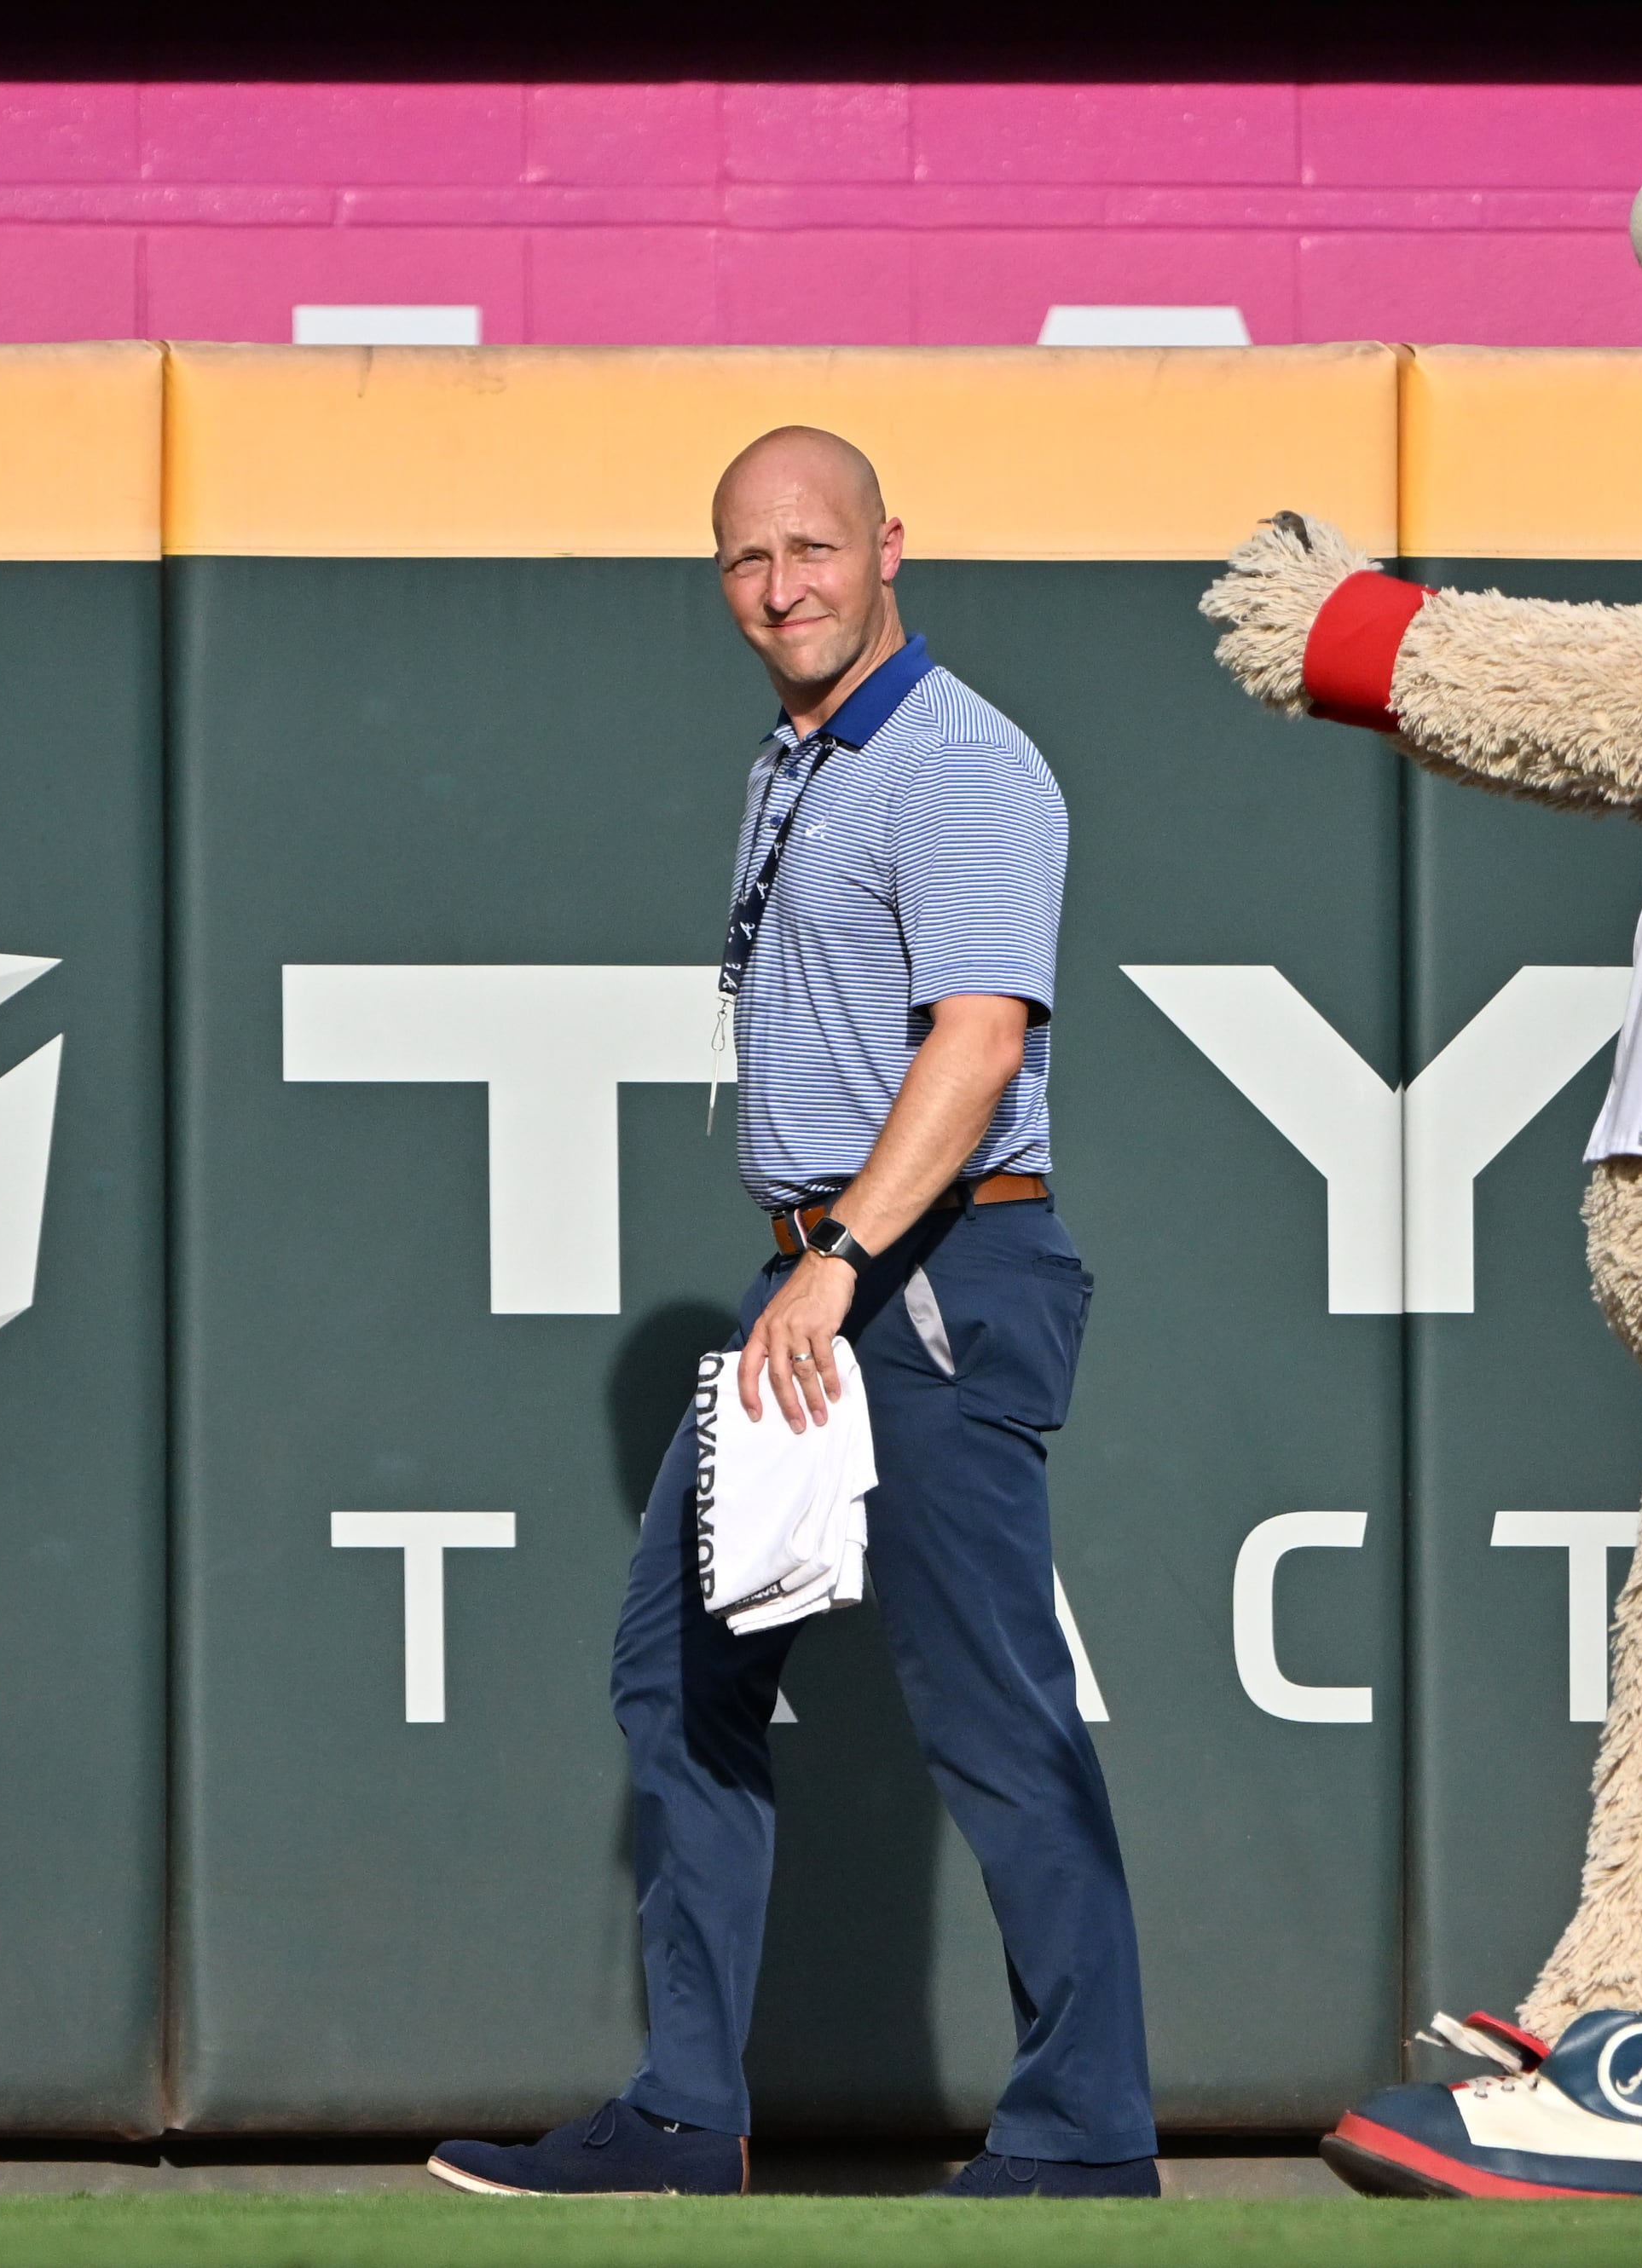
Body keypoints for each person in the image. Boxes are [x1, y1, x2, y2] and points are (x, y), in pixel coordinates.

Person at [429, 427, 1159, 2202]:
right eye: (749, 560)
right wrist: (810, 1258)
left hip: (924, 1276)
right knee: (674, 1670)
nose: (783, 587)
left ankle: (1084, 2135)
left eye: (814, 549)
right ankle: (685, 2108)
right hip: (819, 1272)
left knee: (992, 1710)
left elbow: (978, 1044)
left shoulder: (962, 762)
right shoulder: (797, 757)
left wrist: (838, 1254)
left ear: (890, 544)